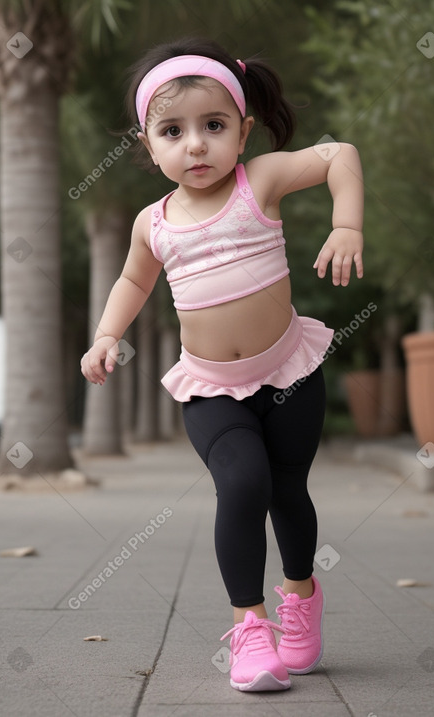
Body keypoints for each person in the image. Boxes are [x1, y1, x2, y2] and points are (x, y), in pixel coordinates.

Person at [80, 37, 363, 693]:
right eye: (173, 132)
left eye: (213, 126)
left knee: (288, 491)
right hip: (213, 388)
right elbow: (131, 281)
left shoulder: (258, 180)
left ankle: (300, 596)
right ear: (149, 146)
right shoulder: (153, 224)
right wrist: (104, 336)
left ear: (244, 129)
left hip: (290, 373)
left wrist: (346, 224)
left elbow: (339, 155)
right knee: (242, 484)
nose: (196, 145)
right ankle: (251, 628)